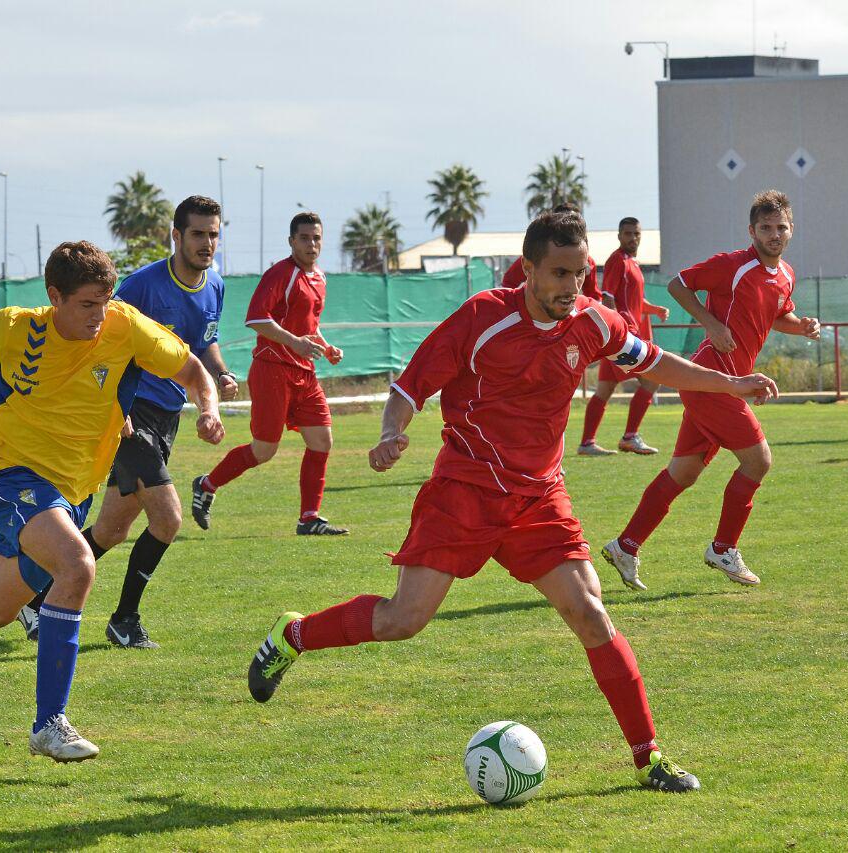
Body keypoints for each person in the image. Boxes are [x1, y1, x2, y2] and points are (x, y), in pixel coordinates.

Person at [243, 210, 778, 793]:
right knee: (403, 620)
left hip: (539, 498)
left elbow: (653, 362)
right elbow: (408, 386)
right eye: (558, 273)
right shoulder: (482, 319)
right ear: (527, 269)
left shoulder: (593, 322)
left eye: (579, 273)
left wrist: (730, 384)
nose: (570, 287)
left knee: (591, 614)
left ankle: (648, 758)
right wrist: (391, 433)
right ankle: (292, 637)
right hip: (465, 491)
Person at [0, 241, 224, 761]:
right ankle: (49, 724)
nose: (99, 315)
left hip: (72, 492)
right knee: (78, 564)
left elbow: (192, 369)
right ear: (55, 296)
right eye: (87, 304)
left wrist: (207, 407)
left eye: (106, 301)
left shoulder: (125, 325)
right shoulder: (18, 327)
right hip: (12, 473)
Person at [17, 197, 238, 649]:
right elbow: (93, 336)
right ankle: (125, 620)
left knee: (112, 530)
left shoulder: (215, 286)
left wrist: (219, 378)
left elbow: (202, 347)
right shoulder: (141, 287)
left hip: (169, 417)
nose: (207, 243)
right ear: (175, 236)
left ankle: (34, 599)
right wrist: (103, 408)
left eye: (213, 233)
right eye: (197, 233)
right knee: (169, 518)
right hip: (130, 417)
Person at [602, 190, 820, 590]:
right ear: (751, 230)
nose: (774, 234)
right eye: (766, 227)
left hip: (729, 382)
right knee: (759, 461)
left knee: (682, 473)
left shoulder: (786, 274)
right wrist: (710, 324)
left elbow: (778, 314)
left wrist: (801, 326)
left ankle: (625, 546)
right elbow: (678, 284)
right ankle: (723, 548)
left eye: (781, 227)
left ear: (791, 230)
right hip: (711, 378)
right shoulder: (732, 265)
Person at [192, 211, 348, 535]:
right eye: (304, 238)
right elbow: (256, 319)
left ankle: (309, 518)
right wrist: (296, 343)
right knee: (264, 450)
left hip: (305, 373)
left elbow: (310, 327)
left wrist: (326, 347)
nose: (311, 244)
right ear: (291, 241)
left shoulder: (319, 277)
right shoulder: (281, 274)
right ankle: (207, 484)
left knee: (322, 439)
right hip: (272, 369)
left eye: (316, 238)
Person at [577, 217, 671, 456]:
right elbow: (608, 297)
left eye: (636, 233)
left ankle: (587, 443)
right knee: (652, 380)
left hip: (622, 335)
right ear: (619, 236)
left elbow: (635, 301)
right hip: (623, 336)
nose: (632, 238)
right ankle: (630, 437)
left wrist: (655, 309)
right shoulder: (617, 261)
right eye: (627, 233)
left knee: (604, 390)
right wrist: (616, 331)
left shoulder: (632, 262)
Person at [501, 203, 601, 300]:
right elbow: (508, 285)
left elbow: (593, 294)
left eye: (579, 273)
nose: (573, 288)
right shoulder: (536, 258)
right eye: (560, 273)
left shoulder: (587, 262)